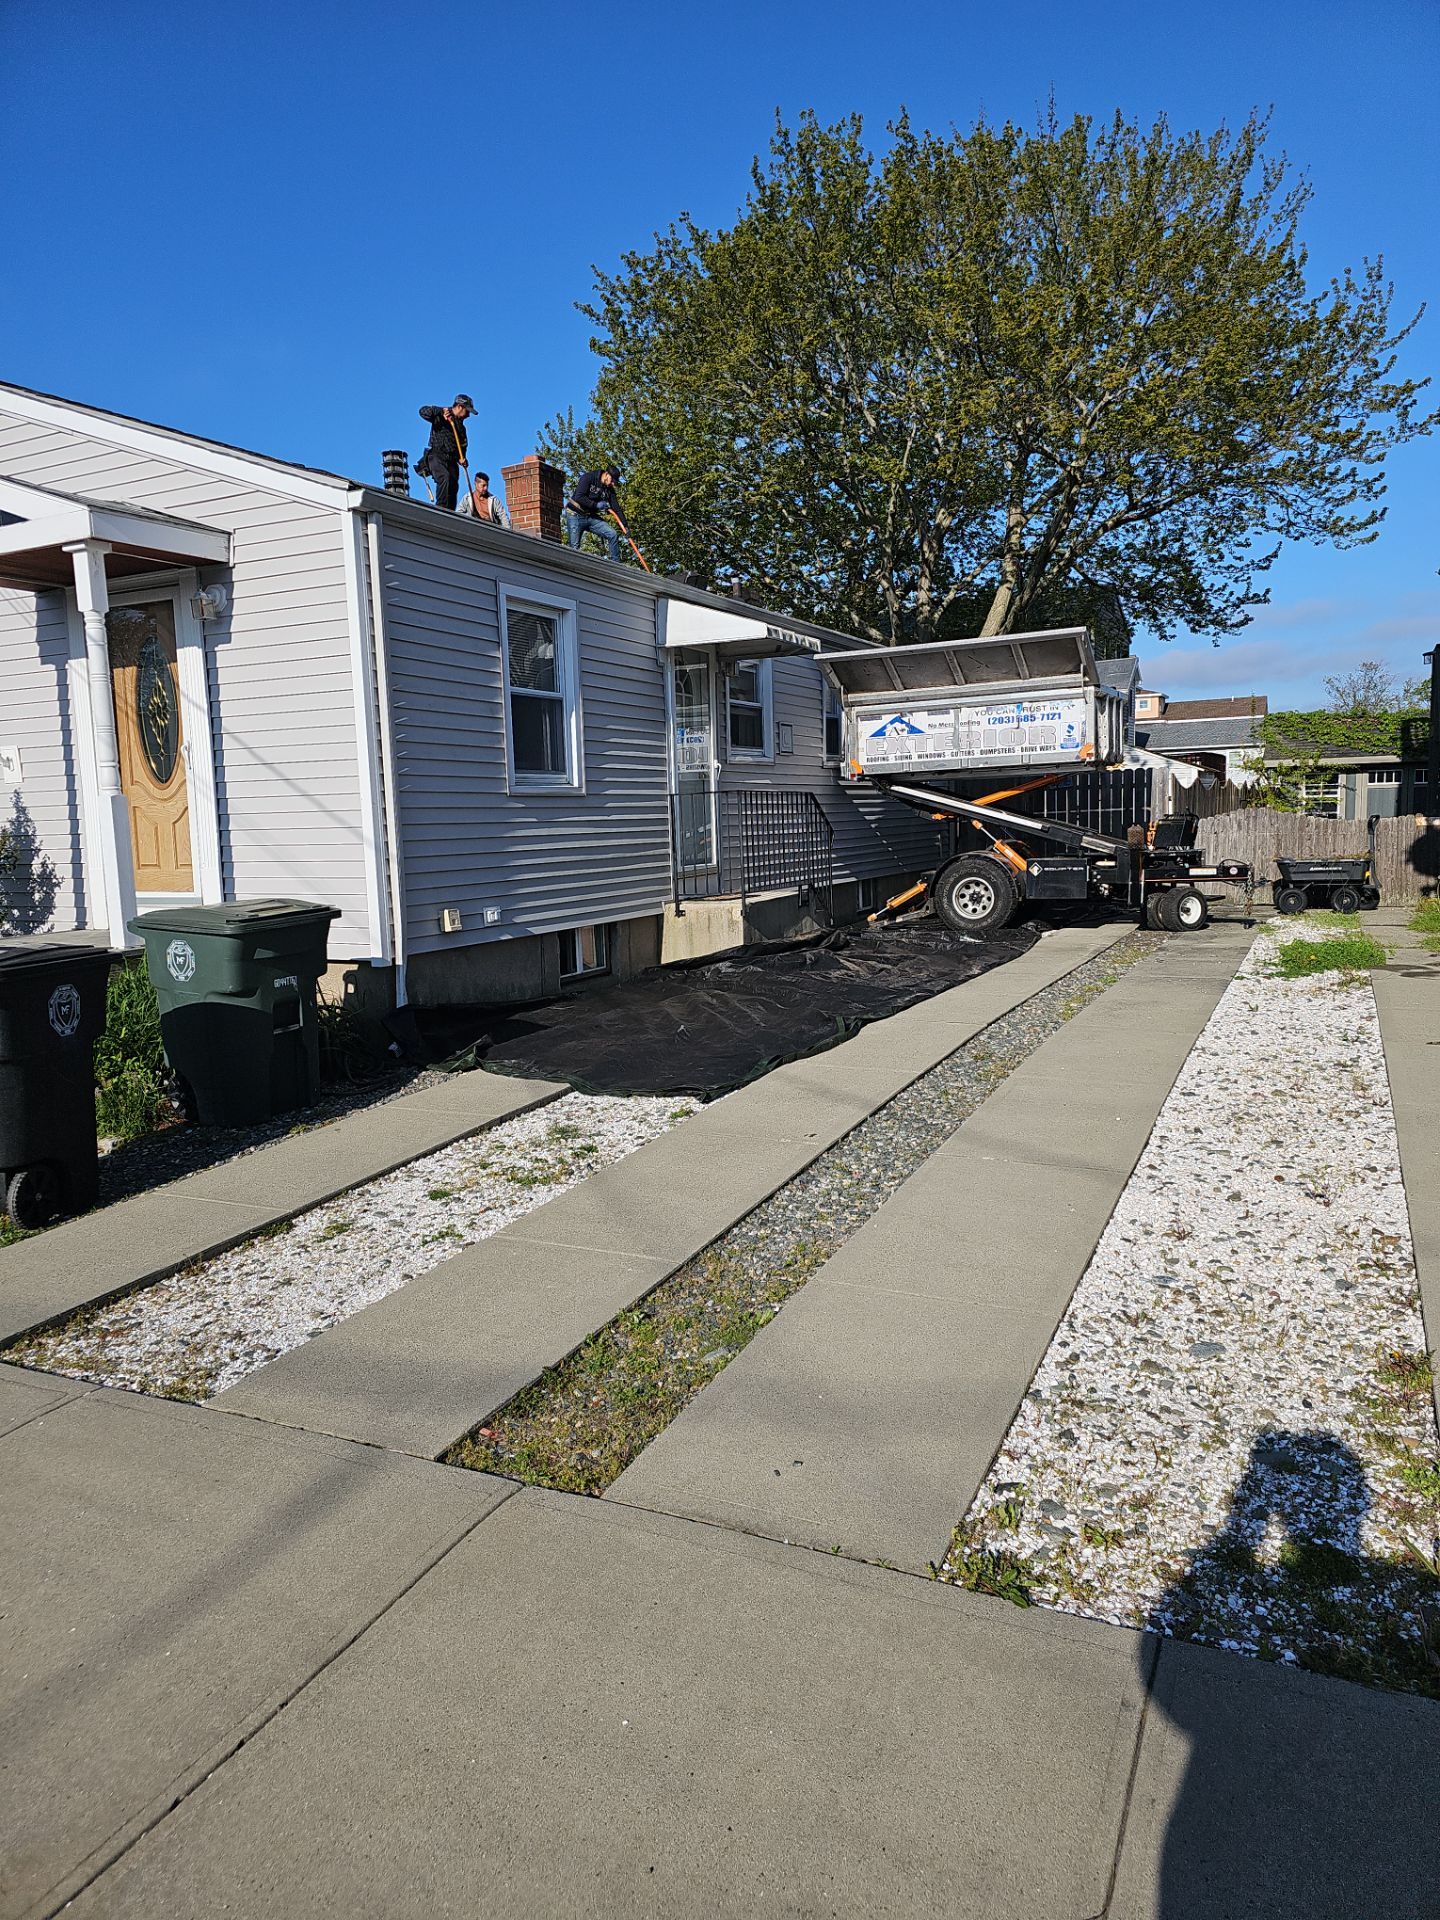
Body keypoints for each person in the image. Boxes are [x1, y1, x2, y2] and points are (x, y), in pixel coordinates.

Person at [417, 395, 476, 511]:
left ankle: (450, 512)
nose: (468, 415)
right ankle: (441, 510)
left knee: (453, 485)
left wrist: (462, 458)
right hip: (437, 455)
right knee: (444, 477)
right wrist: (440, 411)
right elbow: (422, 411)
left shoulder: (462, 428)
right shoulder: (441, 415)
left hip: (452, 460)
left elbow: (463, 446)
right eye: (467, 411)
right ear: (459, 407)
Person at [564, 466, 623, 560]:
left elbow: (616, 508)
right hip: (575, 515)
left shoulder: (609, 489)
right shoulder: (588, 477)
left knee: (612, 534)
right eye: (612, 480)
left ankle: (616, 566)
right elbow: (579, 497)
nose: (612, 484)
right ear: (607, 474)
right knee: (574, 549)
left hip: (590, 517)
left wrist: (626, 526)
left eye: (614, 482)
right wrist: (596, 505)